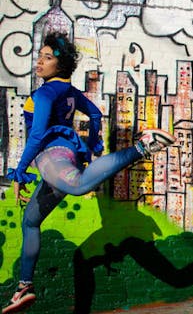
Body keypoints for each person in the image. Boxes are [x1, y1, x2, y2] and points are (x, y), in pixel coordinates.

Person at [2, 32, 175, 313]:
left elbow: (36, 137)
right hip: (62, 158)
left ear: (61, 64)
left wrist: (20, 172)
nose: (40, 62)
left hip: (51, 157)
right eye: (40, 56)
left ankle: (143, 147)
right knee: (30, 222)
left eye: (47, 58)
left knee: (79, 184)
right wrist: (93, 141)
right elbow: (94, 114)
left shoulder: (45, 93)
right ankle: (24, 287)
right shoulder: (70, 92)